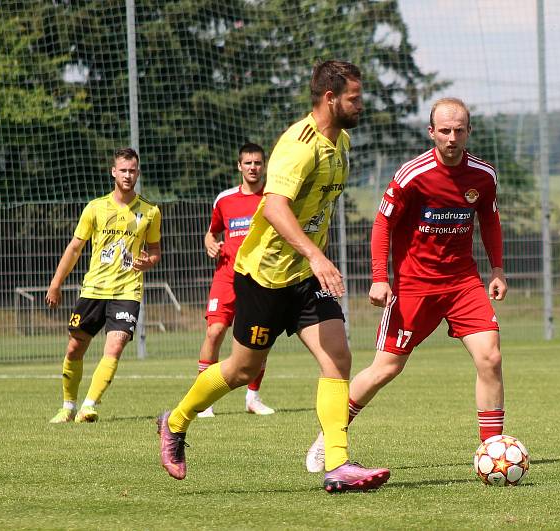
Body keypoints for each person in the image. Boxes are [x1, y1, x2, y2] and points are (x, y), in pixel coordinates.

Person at [157, 60, 391, 493]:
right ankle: (174, 422)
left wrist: (312, 262)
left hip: (304, 278)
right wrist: (317, 255)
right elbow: (275, 206)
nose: (361, 104)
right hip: (263, 277)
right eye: (354, 98)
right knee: (243, 370)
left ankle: (337, 463)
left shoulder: (342, 143)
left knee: (338, 357)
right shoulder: (298, 146)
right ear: (329, 98)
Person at [304, 97, 508, 472]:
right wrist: (380, 278)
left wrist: (497, 270)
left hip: (463, 283)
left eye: (458, 130)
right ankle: (331, 435)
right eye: (444, 130)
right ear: (432, 132)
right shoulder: (412, 174)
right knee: (385, 369)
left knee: (490, 357)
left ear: (468, 132)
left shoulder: (483, 175)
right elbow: (383, 224)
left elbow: (490, 221)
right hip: (414, 288)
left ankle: (493, 451)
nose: (451, 137)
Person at [46, 147, 161, 423]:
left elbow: (155, 251)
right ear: (113, 172)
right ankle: (68, 406)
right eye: (123, 170)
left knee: (116, 346)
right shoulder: (95, 208)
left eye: (132, 170)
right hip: (94, 289)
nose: (128, 175)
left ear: (138, 173)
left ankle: (89, 405)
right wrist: (55, 284)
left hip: (127, 292)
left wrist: (149, 261)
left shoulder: (150, 212)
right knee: (75, 348)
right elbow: (75, 248)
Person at [197, 142, 274, 418]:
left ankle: (252, 397)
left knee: (257, 338)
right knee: (214, 332)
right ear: (239, 166)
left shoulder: (273, 198)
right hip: (227, 276)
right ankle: (204, 398)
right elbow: (212, 232)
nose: (253, 168)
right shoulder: (225, 199)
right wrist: (210, 244)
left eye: (257, 163)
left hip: (260, 278)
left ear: (263, 166)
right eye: (248, 163)